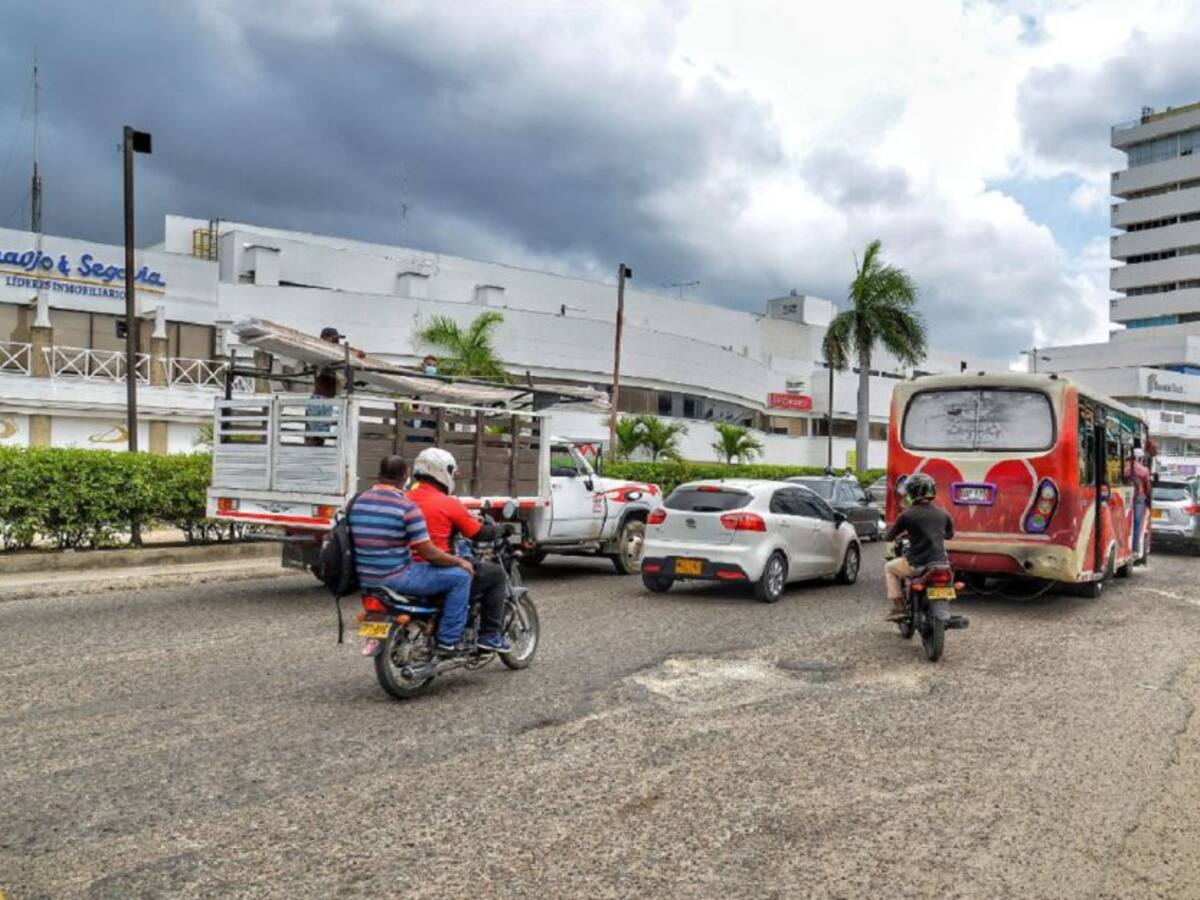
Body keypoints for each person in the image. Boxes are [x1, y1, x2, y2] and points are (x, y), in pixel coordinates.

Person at [349, 455, 475, 654]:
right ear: (405, 476)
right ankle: (448, 640)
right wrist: (459, 561)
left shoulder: (357, 502)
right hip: (397, 578)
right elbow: (429, 553)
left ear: (379, 475)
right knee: (461, 578)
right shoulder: (406, 507)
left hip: (365, 579)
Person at [407, 448, 514, 652]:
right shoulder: (448, 503)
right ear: (442, 471)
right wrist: (502, 530)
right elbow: (478, 533)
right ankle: (490, 635)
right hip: (438, 567)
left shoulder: (405, 499)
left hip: (409, 569)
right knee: (496, 574)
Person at [883, 473, 954, 621]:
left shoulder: (907, 515)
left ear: (911, 492)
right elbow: (949, 535)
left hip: (917, 563)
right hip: (942, 563)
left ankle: (898, 606)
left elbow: (889, 536)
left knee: (889, 567)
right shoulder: (944, 513)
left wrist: (899, 535)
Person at [1130, 447, 1152, 558]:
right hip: (1139, 497)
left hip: (1126, 497)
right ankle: (1134, 548)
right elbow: (1148, 487)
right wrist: (1149, 498)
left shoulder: (1124, 468)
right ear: (1140, 458)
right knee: (1137, 523)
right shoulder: (1144, 470)